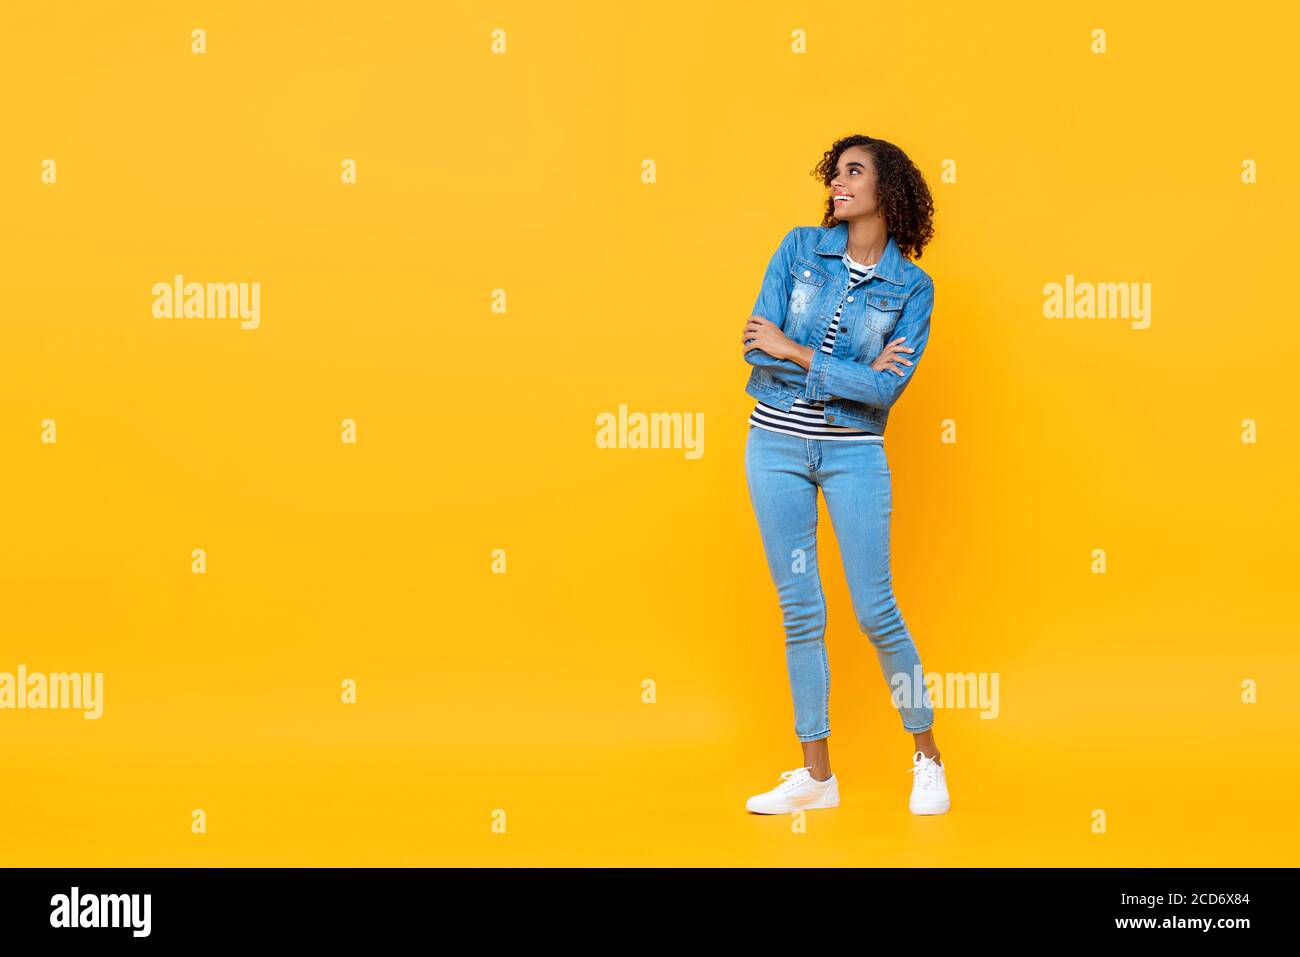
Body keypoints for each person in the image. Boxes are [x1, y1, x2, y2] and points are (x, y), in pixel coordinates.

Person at [740, 134, 950, 816]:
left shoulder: (912, 287)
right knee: (800, 611)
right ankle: (817, 777)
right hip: (773, 445)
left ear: (886, 188)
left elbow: (884, 394)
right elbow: (755, 345)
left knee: (875, 610)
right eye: (835, 172)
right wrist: (848, 372)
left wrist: (797, 353)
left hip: (854, 451)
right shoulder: (799, 249)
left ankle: (928, 757)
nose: (837, 182)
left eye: (852, 172)